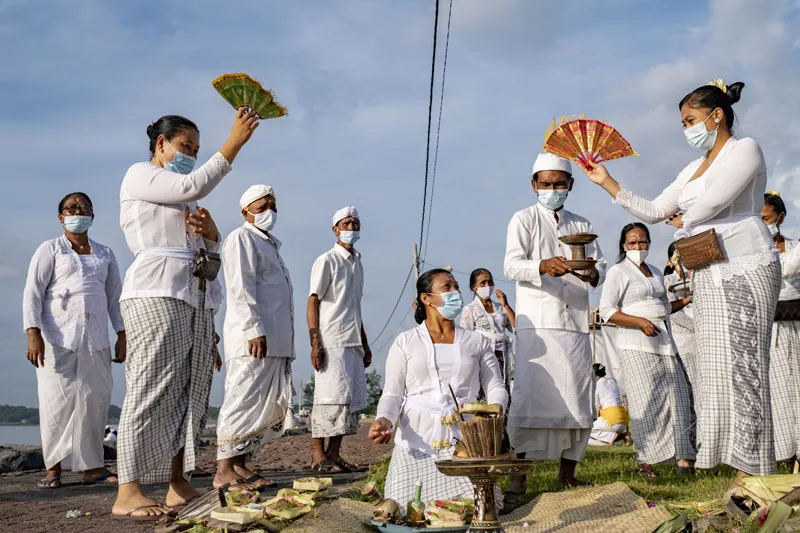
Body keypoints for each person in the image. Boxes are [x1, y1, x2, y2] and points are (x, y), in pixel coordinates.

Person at [582, 80, 781, 481]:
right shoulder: (692, 168)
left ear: (716, 115)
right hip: (709, 271)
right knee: (717, 371)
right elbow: (655, 208)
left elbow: (714, 202)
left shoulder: (746, 149)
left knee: (746, 365)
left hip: (747, 265)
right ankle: (736, 462)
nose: (687, 129)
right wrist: (607, 182)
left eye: (691, 120)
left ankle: (757, 468)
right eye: (683, 123)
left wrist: (682, 225)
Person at [113, 110, 259, 520]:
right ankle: (128, 489)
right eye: (186, 147)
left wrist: (211, 237)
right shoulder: (140, 174)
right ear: (162, 144)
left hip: (193, 297)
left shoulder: (186, 198)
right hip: (154, 292)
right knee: (149, 388)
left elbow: (209, 261)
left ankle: (178, 482)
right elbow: (193, 182)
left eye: (196, 149)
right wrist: (234, 142)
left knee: (191, 393)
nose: (192, 154)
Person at [503, 153, 606, 500]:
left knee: (577, 399)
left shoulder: (582, 223)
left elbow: (599, 266)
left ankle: (567, 475)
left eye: (558, 184)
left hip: (575, 322)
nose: (552, 189)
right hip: (540, 325)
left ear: (570, 186)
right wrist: (543, 265)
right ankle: (518, 478)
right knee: (530, 400)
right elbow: (511, 265)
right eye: (545, 184)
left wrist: (592, 272)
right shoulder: (523, 219)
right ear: (534, 185)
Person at [369, 269, 508, 507]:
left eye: (456, 287)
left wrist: (492, 414)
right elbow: (393, 393)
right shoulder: (406, 341)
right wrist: (384, 421)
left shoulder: (477, 342)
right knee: (405, 512)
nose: (456, 292)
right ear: (427, 298)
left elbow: (496, 385)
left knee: (475, 511)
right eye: (447, 287)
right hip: (415, 445)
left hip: (466, 445)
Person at [23, 192, 125, 489]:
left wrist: (122, 333)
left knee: (94, 402)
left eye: (84, 207)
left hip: (96, 340)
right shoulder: (50, 249)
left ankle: (92, 467)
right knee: (56, 404)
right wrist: (33, 333)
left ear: (92, 215)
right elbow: (32, 292)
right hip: (58, 338)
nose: (78, 211)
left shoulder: (105, 253)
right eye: (72, 207)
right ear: (61, 217)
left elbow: (114, 298)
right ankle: (53, 469)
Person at [599, 223, 696, 477]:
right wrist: (640, 323)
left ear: (649, 244)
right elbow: (607, 311)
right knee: (646, 403)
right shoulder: (618, 272)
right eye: (632, 243)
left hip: (665, 344)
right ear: (623, 245)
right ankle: (645, 463)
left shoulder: (654, 271)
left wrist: (686, 299)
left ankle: (684, 460)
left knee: (679, 399)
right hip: (636, 345)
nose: (638, 247)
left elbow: (664, 307)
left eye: (642, 242)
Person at [214, 184, 294, 491]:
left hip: (275, 338)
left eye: (272, 205)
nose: (268, 212)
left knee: (258, 403)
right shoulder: (241, 238)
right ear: (246, 211)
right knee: (242, 398)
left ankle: (240, 465)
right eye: (261, 207)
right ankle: (223, 470)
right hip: (253, 337)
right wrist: (253, 329)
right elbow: (240, 287)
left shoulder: (270, 244)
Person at [307, 206, 371, 472]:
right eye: (346, 223)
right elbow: (313, 300)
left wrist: (365, 343)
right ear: (335, 229)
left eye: (355, 223)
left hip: (352, 339)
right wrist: (315, 341)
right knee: (328, 398)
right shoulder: (326, 260)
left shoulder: (358, 262)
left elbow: (356, 306)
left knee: (348, 400)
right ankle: (318, 455)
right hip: (331, 338)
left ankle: (334, 454)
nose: (351, 228)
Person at [761, 191, 799, 463]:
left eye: (766, 218)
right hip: (768, 330)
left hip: (795, 325)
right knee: (778, 388)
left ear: (781, 218)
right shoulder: (751, 252)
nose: (762, 224)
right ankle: (784, 451)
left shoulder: (796, 247)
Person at [459, 268, 516, 385]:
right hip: (483, 356)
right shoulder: (470, 309)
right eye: (483, 283)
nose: (487, 285)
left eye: (490, 282)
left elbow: (516, 328)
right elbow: (465, 339)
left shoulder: (500, 308)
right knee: (486, 387)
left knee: (503, 387)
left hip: (502, 355)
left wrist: (506, 305)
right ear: (474, 287)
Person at [663, 242, 700, 410]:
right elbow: (672, 310)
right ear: (670, 260)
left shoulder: (699, 278)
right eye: (678, 256)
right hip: (683, 339)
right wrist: (696, 327)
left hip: (703, 339)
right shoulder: (668, 281)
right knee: (689, 385)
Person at [588, 363, 628, 446]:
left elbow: (596, 409)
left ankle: (619, 436)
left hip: (612, 421)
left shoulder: (597, 386)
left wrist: (594, 419)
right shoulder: (612, 381)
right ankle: (616, 440)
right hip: (624, 421)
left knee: (588, 429)